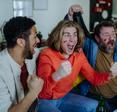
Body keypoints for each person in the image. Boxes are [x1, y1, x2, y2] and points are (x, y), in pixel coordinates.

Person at [35, 20, 113, 112]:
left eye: (75, 34)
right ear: (58, 37)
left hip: (64, 96)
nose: (72, 39)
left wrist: (110, 75)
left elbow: (94, 78)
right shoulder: (47, 54)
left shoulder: (78, 54)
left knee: (94, 106)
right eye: (67, 35)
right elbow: (42, 92)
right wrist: (57, 75)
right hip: (44, 100)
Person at [0, 16, 44, 112]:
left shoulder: (29, 53)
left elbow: (49, 48)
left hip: (37, 105)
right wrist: (33, 92)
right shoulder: (1, 70)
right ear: (21, 42)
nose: (38, 40)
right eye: (35, 36)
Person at [84, 21, 117, 111]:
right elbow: (75, 35)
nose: (111, 38)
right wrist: (71, 16)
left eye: (113, 34)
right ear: (97, 38)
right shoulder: (91, 47)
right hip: (100, 98)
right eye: (106, 34)